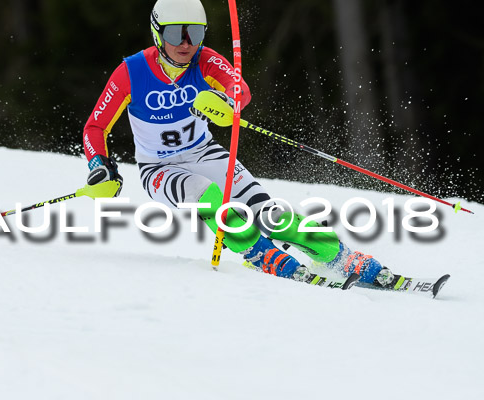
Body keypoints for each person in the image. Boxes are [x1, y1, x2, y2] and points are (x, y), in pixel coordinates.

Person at [82, 0, 397, 288]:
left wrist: (225, 99)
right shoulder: (131, 72)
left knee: (268, 212)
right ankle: (258, 252)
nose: (187, 43)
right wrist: (99, 164)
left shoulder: (205, 61)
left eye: (195, 32)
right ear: (157, 32)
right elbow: (94, 127)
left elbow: (240, 90)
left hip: (205, 153)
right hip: (159, 167)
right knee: (206, 196)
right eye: (177, 34)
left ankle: (334, 254)